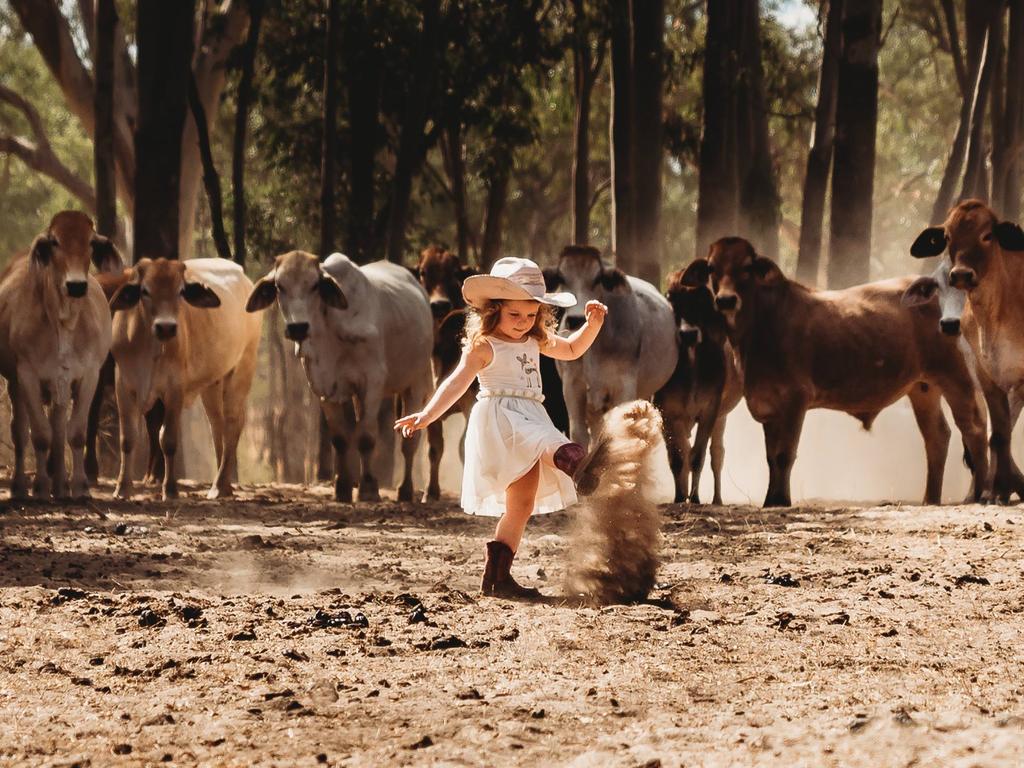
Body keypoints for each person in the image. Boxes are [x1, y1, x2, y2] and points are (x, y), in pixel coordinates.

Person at [395, 256, 607, 598]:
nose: (523, 322)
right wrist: (426, 416)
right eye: (514, 315)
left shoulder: (535, 339)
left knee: (521, 504)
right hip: (501, 416)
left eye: (530, 314)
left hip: (530, 411)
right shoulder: (484, 345)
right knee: (547, 441)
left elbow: (571, 349)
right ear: (494, 310)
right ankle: (577, 462)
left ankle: (497, 578)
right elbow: (455, 384)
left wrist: (593, 325)